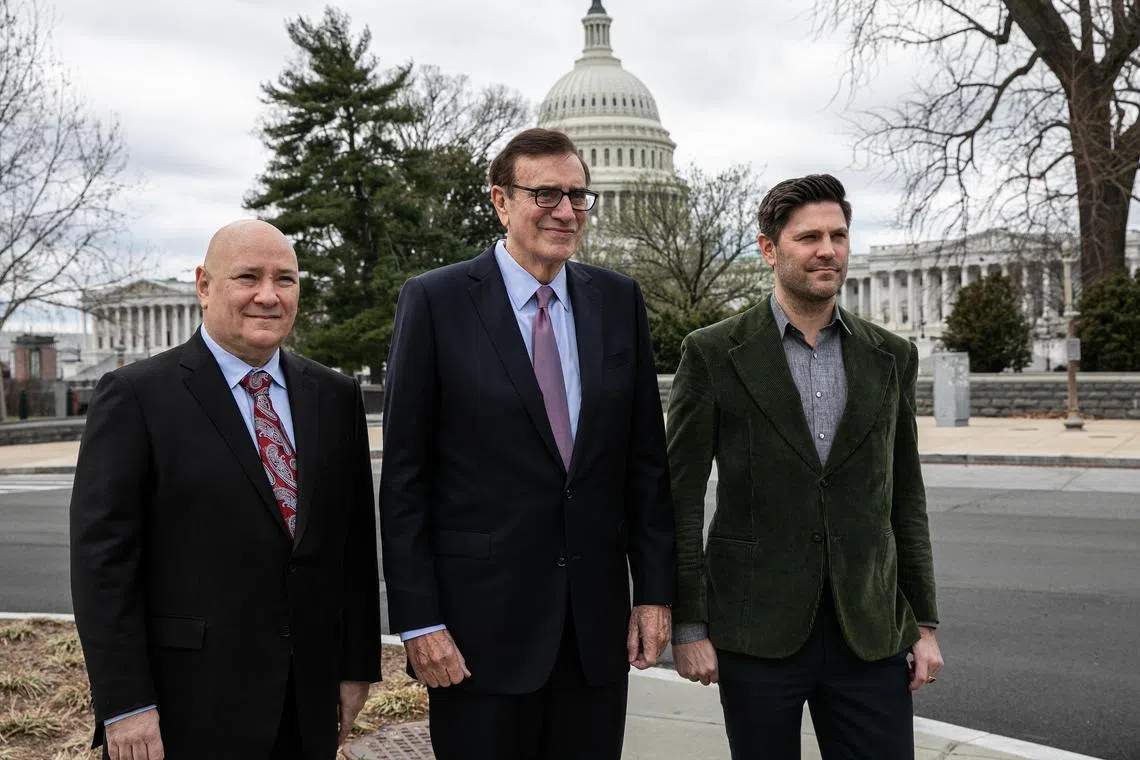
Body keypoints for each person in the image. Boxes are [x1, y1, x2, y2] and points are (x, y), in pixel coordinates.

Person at [378, 127, 676, 760]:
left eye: (577, 196)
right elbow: (406, 478)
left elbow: (645, 466)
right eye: (545, 194)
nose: (565, 212)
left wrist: (653, 592)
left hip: (594, 635)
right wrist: (420, 622)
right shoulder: (435, 302)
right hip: (476, 636)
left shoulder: (618, 301)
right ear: (500, 200)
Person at [70, 219, 381, 760]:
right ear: (204, 285)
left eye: (285, 279)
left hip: (305, 703)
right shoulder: (136, 396)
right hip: (184, 707)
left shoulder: (333, 396)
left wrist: (355, 667)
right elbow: (103, 566)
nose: (268, 295)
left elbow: (353, 545)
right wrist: (125, 704)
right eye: (247, 277)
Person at [667, 174, 944, 759]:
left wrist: (923, 624)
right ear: (769, 249)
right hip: (755, 632)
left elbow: (905, 497)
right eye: (809, 237)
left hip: (868, 632)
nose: (828, 250)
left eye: (838, 235)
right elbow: (680, 499)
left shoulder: (892, 356)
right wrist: (689, 627)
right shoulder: (714, 353)